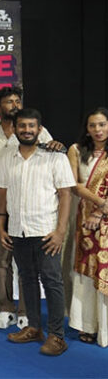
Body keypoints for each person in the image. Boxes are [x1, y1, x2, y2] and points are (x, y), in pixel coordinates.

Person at [0, 85, 63, 329]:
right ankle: (5, 309)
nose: (15, 105)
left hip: (29, 208)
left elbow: (52, 156)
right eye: (9, 101)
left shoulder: (39, 131)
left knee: (27, 265)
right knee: (1, 261)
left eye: (18, 100)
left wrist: (57, 145)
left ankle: (26, 312)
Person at [0, 108, 73, 356]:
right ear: (15, 128)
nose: (27, 130)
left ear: (39, 129)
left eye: (31, 126)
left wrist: (60, 231)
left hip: (46, 231)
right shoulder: (6, 156)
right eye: (22, 126)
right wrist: (0, 226)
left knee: (52, 281)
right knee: (27, 279)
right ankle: (34, 328)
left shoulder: (55, 157)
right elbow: (1, 192)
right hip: (18, 230)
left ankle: (57, 336)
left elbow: (65, 194)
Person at [67, 107, 108, 347]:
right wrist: (101, 203)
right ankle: (89, 325)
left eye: (102, 124)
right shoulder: (76, 150)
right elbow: (74, 185)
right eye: (92, 125)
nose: (97, 130)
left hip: (104, 220)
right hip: (85, 222)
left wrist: (101, 212)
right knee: (87, 271)